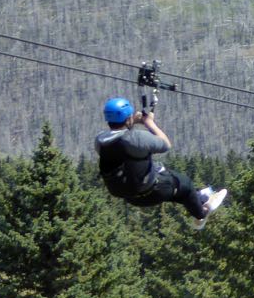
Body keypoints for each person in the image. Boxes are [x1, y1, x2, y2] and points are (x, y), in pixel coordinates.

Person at [95, 96, 226, 229]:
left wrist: (133, 120)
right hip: (153, 191)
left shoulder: (101, 141)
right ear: (128, 118)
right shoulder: (137, 138)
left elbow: (120, 137)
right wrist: (149, 122)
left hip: (131, 196)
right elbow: (165, 144)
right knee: (184, 185)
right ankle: (201, 214)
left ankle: (199, 198)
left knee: (176, 190)